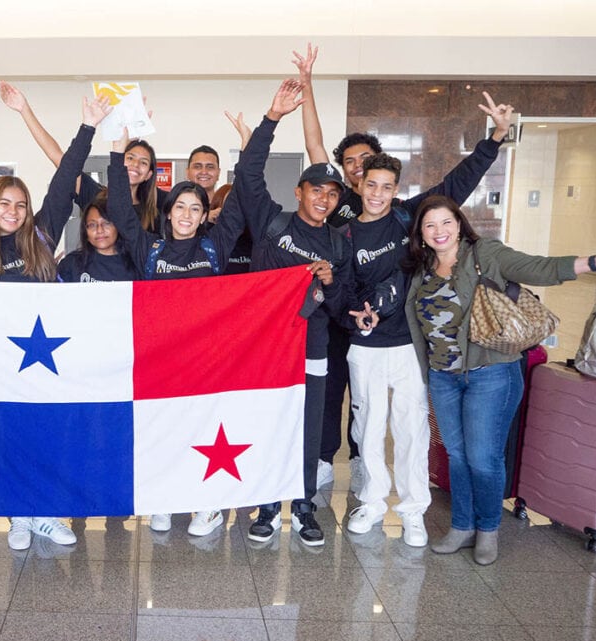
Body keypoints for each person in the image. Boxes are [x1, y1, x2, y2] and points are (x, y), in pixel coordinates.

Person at [292, 43, 512, 493]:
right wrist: (308, 85)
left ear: (382, 176)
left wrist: (492, 142)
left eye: (363, 162)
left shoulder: (398, 210)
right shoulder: (335, 202)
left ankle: (364, 471)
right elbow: (314, 142)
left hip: (392, 325)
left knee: (374, 409)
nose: (356, 170)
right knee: (333, 392)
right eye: (349, 162)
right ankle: (323, 460)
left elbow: (454, 185)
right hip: (338, 315)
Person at [404, 195, 596, 565]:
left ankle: (488, 529)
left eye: (446, 222)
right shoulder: (421, 266)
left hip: (491, 373)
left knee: (482, 457)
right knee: (456, 455)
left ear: (459, 224)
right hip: (443, 377)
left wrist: (589, 262)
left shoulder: (485, 254)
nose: (439, 231)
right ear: (421, 233)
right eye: (430, 225)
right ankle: (462, 526)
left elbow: (537, 268)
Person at [0, 96, 110, 549]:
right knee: (11, 439)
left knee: (50, 436)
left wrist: (86, 127)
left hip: (49, 358)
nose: (14, 210)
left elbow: (65, 181)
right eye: (5, 203)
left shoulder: (42, 235)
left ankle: (47, 513)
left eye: (21, 204)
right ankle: (19, 516)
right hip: (0, 365)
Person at [107, 119, 247, 537]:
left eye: (196, 208)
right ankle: (166, 499)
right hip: (160, 358)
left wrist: (246, 147)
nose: (187, 215)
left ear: (205, 215)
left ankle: (207, 505)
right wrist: (118, 149)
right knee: (164, 428)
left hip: (207, 360)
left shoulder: (214, 246)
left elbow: (243, 200)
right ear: (168, 212)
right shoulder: (149, 247)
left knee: (205, 431)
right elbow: (118, 207)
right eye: (180, 207)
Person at [230, 80, 351, 548]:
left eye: (332, 194)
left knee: (308, 424)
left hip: (313, 347)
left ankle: (302, 504)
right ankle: (265, 504)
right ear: (299, 191)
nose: (324, 198)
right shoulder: (271, 221)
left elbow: (340, 308)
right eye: (316, 189)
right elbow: (248, 175)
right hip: (264, 346)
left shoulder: (339, 244)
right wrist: (272, 118)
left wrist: (329, 282)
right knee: (266, 421)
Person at [0, 81, 165, 235]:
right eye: (130, 158)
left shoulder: (156, 206)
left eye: (143, 162)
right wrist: (24, 109)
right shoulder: (96, 195)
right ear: (119, 160)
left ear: (149, 174)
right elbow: (56, 155)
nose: (135, 164)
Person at [57, 194, 138, 282]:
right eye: (92, 225)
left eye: (107, 223)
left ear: (118, 226)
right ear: (85, 231)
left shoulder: (135, 265)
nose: (99, 230)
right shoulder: (71, 264)